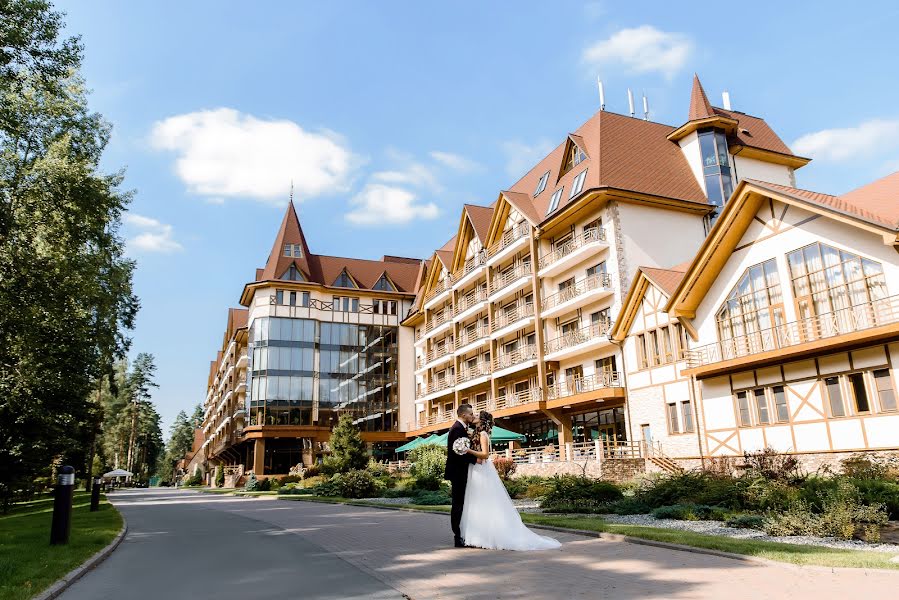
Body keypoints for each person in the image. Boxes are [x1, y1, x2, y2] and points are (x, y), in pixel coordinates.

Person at [459, 411, 561, 551]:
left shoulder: (483, 435)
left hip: (482, 469)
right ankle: (477, 536)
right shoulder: (475, 433)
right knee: (476, 501)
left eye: (476, 416)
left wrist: (467, 451)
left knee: (483, 501)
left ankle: (487, 536)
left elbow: (485, 454)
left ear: (482, 421)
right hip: (476, 469)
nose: (473, 417)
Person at [444, 404, 477, 548]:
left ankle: (461, 534)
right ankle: (458, 536)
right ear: (464, 415)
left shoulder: (461, 428)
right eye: (470, 414)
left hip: (460, 471)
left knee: (461, 503)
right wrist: (476, 459)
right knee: (458, 504)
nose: (472, 416)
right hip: (457, 472)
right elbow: (459, 453)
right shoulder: (457, 429)